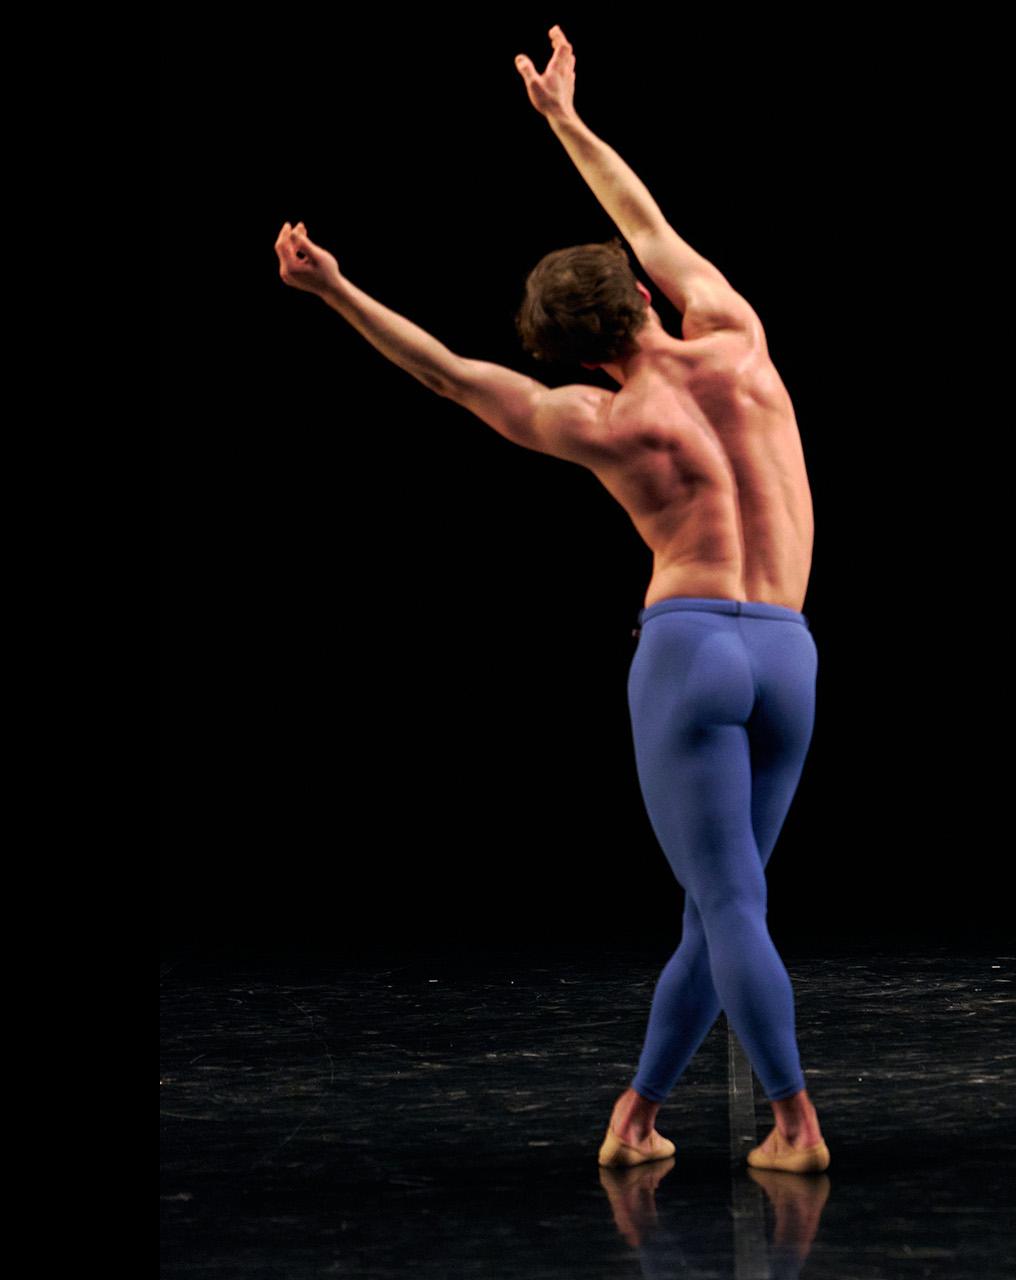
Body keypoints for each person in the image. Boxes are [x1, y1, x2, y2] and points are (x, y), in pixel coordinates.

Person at [272, 23, 827, 1173]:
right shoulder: (734, 328)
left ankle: (795, 1123)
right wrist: (567, 122)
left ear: (576, 357)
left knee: (728, 903)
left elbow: (441, 371)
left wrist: (333, 289)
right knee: (723, 904)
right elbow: (648, 218)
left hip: (688, 651)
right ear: (638, 293)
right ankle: (637, 1114)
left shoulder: (600, 421)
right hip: (789, 650)